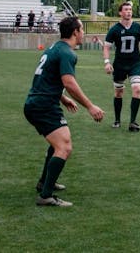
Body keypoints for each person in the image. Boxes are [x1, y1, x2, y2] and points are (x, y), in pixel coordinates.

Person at [24, 16, 104, 207]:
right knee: (64, 146)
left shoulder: (54, 48)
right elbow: (69, 82)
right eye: (82, 29)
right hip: (43, 106)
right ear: (75, 32)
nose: (83, 33)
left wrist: (62, 98)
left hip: (38, 102)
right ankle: (45, 196)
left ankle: (45, 182)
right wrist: (90, 106)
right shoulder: (68, 53)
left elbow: (48, 78)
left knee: (57, 143)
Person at [103, 1, 140, 132]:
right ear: (120, 12)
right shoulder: (114, 29)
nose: (129, 12)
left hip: (135, 64)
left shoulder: (138, 27)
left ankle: (132, 122)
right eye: (126, 9)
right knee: (118, 93)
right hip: (119, 65)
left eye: (130, 9)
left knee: (137, 89)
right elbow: (106, 47)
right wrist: (107, 62)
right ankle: (117, 120)